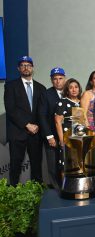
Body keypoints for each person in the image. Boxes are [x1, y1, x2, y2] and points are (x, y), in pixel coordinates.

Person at [4, 56, 46, 185]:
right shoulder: (11, 86)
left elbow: (42, 112)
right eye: (22, 65)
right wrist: (27, 124)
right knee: (16, 165)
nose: (26, 67)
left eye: (28, 65)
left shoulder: (41, 88)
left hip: (36, 133)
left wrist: (37, 125)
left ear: (32, 68)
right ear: (18, 68)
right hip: (17, 132)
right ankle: (13, 192)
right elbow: (11, 109)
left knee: (36, 165)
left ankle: (37, 193)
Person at [39, 67, 66, 188]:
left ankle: (68, 189)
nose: (58, 81)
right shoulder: (46, 94)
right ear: (51, 80)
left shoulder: (70, 92)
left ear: (64, 79)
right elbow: (42, 116)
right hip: (53, 138)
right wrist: (49, 136)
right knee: (54, 166)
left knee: (68, 166)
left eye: (60, 78)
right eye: (55, 79)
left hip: (68, 138)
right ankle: (56, 192)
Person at [80, 71, 95, 178]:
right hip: (91, 131)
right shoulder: (87, 94)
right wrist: (89, 133)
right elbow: (82, 115)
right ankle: (89, 185)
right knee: (90, 159)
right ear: (91, 81)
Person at [54, 79, 82, 172]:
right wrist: (62, 140)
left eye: (76, 87)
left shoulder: (82, 102)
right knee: (66, 164)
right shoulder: (63, 102)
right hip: (67, 136)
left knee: (79, 164)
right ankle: (65, 186)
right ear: (67, 90)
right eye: (71, 87)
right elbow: (58, 122)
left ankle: (77, 186)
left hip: (80, 137)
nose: (74, 89)